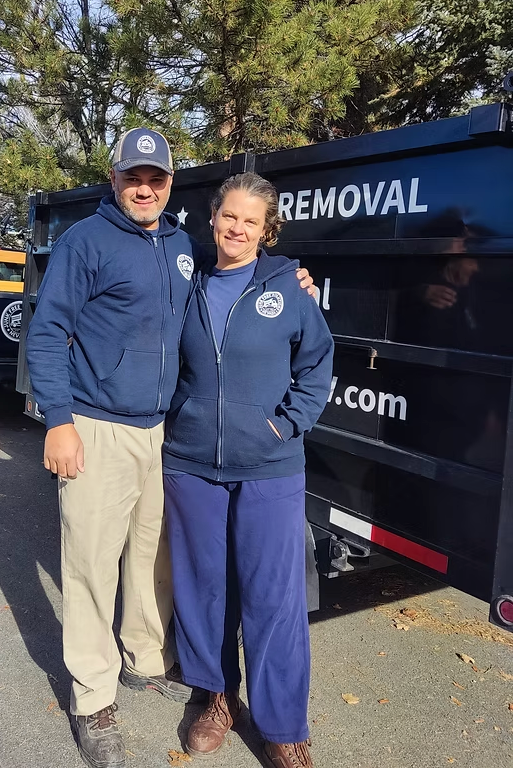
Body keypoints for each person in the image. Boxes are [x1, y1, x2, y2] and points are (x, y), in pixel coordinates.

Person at [26, 129, 316, 768]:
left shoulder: (185, 248)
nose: (146, 187)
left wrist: (297, 282)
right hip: (97, 425)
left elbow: (250, 302)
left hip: (166, 432)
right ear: (116, 178)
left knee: (154, 558)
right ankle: (93, 696)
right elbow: (46, 333)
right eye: (135, 176)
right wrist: (59, 420)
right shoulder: (85, 243)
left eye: (157, 177)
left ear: (170, 183)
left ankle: (145, 656)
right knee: (91, 565)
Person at [162, 172, 334, 769]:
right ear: (212, 219)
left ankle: (283, 724)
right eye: (228, 216)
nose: (237, 228)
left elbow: (317, 365)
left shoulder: (288, 287)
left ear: (266, 230)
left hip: (269, 465)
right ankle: (215, 698)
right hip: (190, 463)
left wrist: (284, 425)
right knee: (205, 590)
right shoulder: (185, 282)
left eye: (250, 221)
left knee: (273, 598)